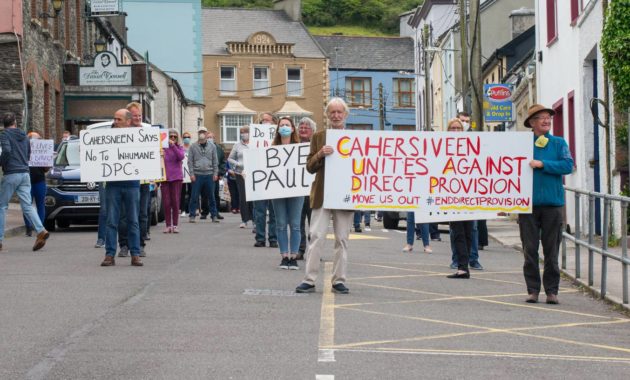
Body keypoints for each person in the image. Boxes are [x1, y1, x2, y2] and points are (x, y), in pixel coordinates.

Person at [295, 98, 354, 294]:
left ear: (345, 115)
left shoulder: (356, 138)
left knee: (342, 239)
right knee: (316, 236)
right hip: (322, 194)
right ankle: (309, 279)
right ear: (327, 115)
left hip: (345, 195)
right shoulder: (319, 137)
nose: (336, 116)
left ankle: (339, 279)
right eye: (332, 112)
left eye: (339, 112)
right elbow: (309, 167)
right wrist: (320, 154)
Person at [519, 104, 573, 304]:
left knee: (552, 250)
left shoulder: (559, 143)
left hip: (552, 204)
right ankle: (533, 290)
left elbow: (568, 165)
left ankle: (552, 291)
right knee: (529, 250)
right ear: (532, 123)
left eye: (548, 117)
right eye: (541, 117)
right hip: (527, 205)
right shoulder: (522, 144)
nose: (546, 120)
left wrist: (543, 164)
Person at [0, 112, 50, 252]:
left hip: (11, 173)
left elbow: (7, 151)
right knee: (27, 205)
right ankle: (40, 230)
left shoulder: (4, 135)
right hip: (25, 173)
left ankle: (0, 240)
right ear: (15, 123)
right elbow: (28, 154)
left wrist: (2, 163)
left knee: (2, 206)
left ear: (5, 125)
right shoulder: (24, 136)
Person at [100, 109, 143, 267]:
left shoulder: (139, 137)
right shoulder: (106, 137)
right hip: (113, 184)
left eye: (118, 119)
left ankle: (135, 253)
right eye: (114, 118)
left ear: (128, 121)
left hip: (132, 184)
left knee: (133, 220)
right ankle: (109, 254)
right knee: (112, 220)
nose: (115, 121)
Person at [270, 117, 304, 270]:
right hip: (277, 190)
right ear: (278, 129)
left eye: (287, 125)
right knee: (281, 224)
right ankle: (284, 256)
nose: (284, 127)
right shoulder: (271, 149)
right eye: (281, 125)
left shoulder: (300, 148)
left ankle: (294, 256)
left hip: (296, 190)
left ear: (292, 129)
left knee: (295, 225)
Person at [445, 118, 473, 279]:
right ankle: (462, 266)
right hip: (451, 197)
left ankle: (465, 265)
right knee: (458, 232)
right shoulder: (442, 147)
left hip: (469, 196)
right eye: (453, 128)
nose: (456, 131)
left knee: (469, 232)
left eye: (458, 128)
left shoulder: (471, 145)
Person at [253, 112, 277, 248]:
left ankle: (273, 238)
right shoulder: (255, 139)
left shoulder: (279, 138)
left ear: (274, 122)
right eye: (263, 121)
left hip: (275, 179)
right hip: (260, 178)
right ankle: (260, 238)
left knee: (274, 212)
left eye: (267, 120)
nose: (265, 123)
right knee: (260, 211)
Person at [188, 127, 219, 223]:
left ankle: (214, 215)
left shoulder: (212, 146)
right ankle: (192, 215)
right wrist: (192, 174)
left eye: (203, 132)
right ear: (198, 134)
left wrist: (215, 173)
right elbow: (190, 161)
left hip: (209, 174)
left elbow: (215, 161)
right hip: (197, 175)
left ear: (206, 134)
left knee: (211, 196)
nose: (202, 134)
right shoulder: (193, 146)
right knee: (194, 196)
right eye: (200, 132)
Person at [297, 117, 316, 259]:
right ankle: (300, 249)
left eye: (306, 128)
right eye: (301, 127)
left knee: (314, 224)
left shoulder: (317, 146)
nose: (303, 130)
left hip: (313, 190)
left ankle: (314, 251)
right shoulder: (292, 145)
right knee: (297, 223)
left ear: (312, 131)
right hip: (296, 189)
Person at [23, 131, 48, 237]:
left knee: (40, 205)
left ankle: (40, 227)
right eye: (34, 140)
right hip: (27, 181)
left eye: (38, 140)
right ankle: (28, 227)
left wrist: (47, 162)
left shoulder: (42, 151)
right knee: (26, 204)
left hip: (39, 181)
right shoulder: (23, 150)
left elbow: (46, 169)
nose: (37, 142)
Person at [228, 125, 253, 228]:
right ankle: (244, 220)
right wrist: (238, 164)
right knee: (243, 197)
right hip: (241, 174)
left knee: (253, 198)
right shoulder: (237, 145)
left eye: (246, 131)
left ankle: (255, 220)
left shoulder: (255, 143)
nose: (244, 133)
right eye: (242, 132)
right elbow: (230, 159)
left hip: (253, 173)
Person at [162, 129, 185, 233]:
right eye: (170, 136)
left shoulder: (179, 147)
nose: (172, 138)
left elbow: (181, 157)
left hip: (176, 177)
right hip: (165, 178)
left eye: (174, 137)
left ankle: (175, 225)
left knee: (175, 202)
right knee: (166, 202)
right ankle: (168, 225)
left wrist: (173, 146)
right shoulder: (163, 148)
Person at [200, 131, 225, 220]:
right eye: (208, 137)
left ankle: (216, 212)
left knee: (215, 194)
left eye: (211, 137)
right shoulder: (201, 147)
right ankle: (204, 212)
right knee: (205, 194)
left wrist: (221, 173)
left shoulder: (218, 148)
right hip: (204, 174)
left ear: (214, 138)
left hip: (215, 175)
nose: (210, 139)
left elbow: (222, 162)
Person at [180, 131, 192, 217]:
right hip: (182, 173)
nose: (186, 138)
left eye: (188, 137)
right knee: (182, 192)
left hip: (191, 173)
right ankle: (183, 210)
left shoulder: (193, 148)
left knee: (192, 192)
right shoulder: (180, 148)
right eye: (184, 137)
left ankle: (192, 209)